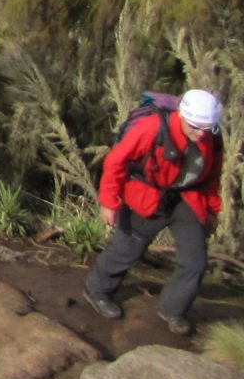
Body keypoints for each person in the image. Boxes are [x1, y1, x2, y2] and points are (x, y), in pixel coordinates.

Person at [85, 88, 224, 335]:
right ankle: (98, 291)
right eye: (195, 126)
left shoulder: (212, 137)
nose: (201, 134)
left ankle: (174, 309)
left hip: (187, 198)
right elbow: (116, 161)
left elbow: (212, 177)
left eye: (206, 127)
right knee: (127, 251)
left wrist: (212, 212)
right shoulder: (151, 128)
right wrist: (109, 202)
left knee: (195, 261)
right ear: (181, 115)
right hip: (147, 195)